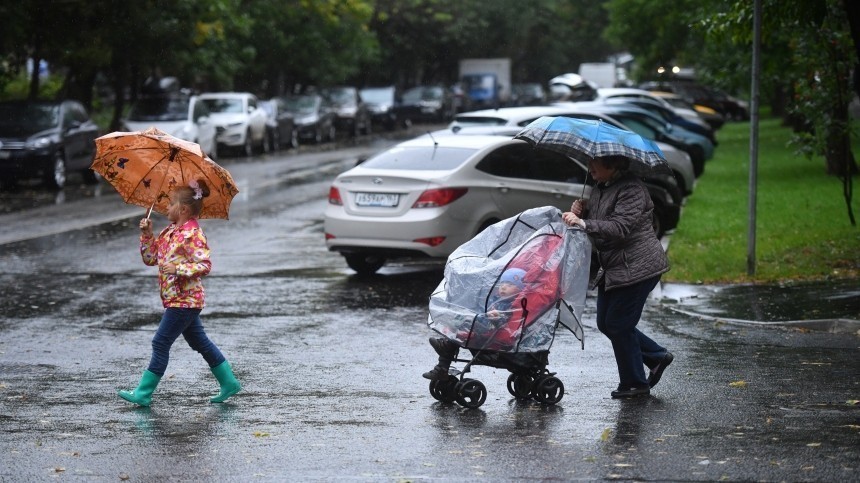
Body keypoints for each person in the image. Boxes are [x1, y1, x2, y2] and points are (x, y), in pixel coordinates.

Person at [118, 179, 241, 406]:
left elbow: (204, 265)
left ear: (183, 209)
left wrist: (179, 269)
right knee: (200, 342)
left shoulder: (193, 235)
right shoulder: (168, 232)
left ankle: (143, 393)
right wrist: (147, 235)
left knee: (160, 342)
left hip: (185, 300)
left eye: (171, 203)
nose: (166, 207)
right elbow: (150, 258)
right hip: (175, 299)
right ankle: (229, 382)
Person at [562, 155, 674, 398]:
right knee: (606, 323)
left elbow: (619, 228)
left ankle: (635, 383)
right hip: (615, 266)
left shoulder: (632, 189)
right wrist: (583, 209)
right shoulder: (601, 187)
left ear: (613, 166)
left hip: (639, 266)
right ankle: (656, 357)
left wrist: (583, 223)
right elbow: (602, 217)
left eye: (595, 164)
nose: (589, 168)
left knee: (619, 324)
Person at [422, 268, 526, 381]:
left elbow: (511, 323)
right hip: (487, 331)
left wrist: (497, 317)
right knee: (461, 323)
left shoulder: (515, 305)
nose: (503, 287)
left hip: (493, 337)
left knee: (462, 330)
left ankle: (444, 354)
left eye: (510, 284)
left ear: (521, 289)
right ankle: (442, 367)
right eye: (502, 283)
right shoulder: (497, 300)